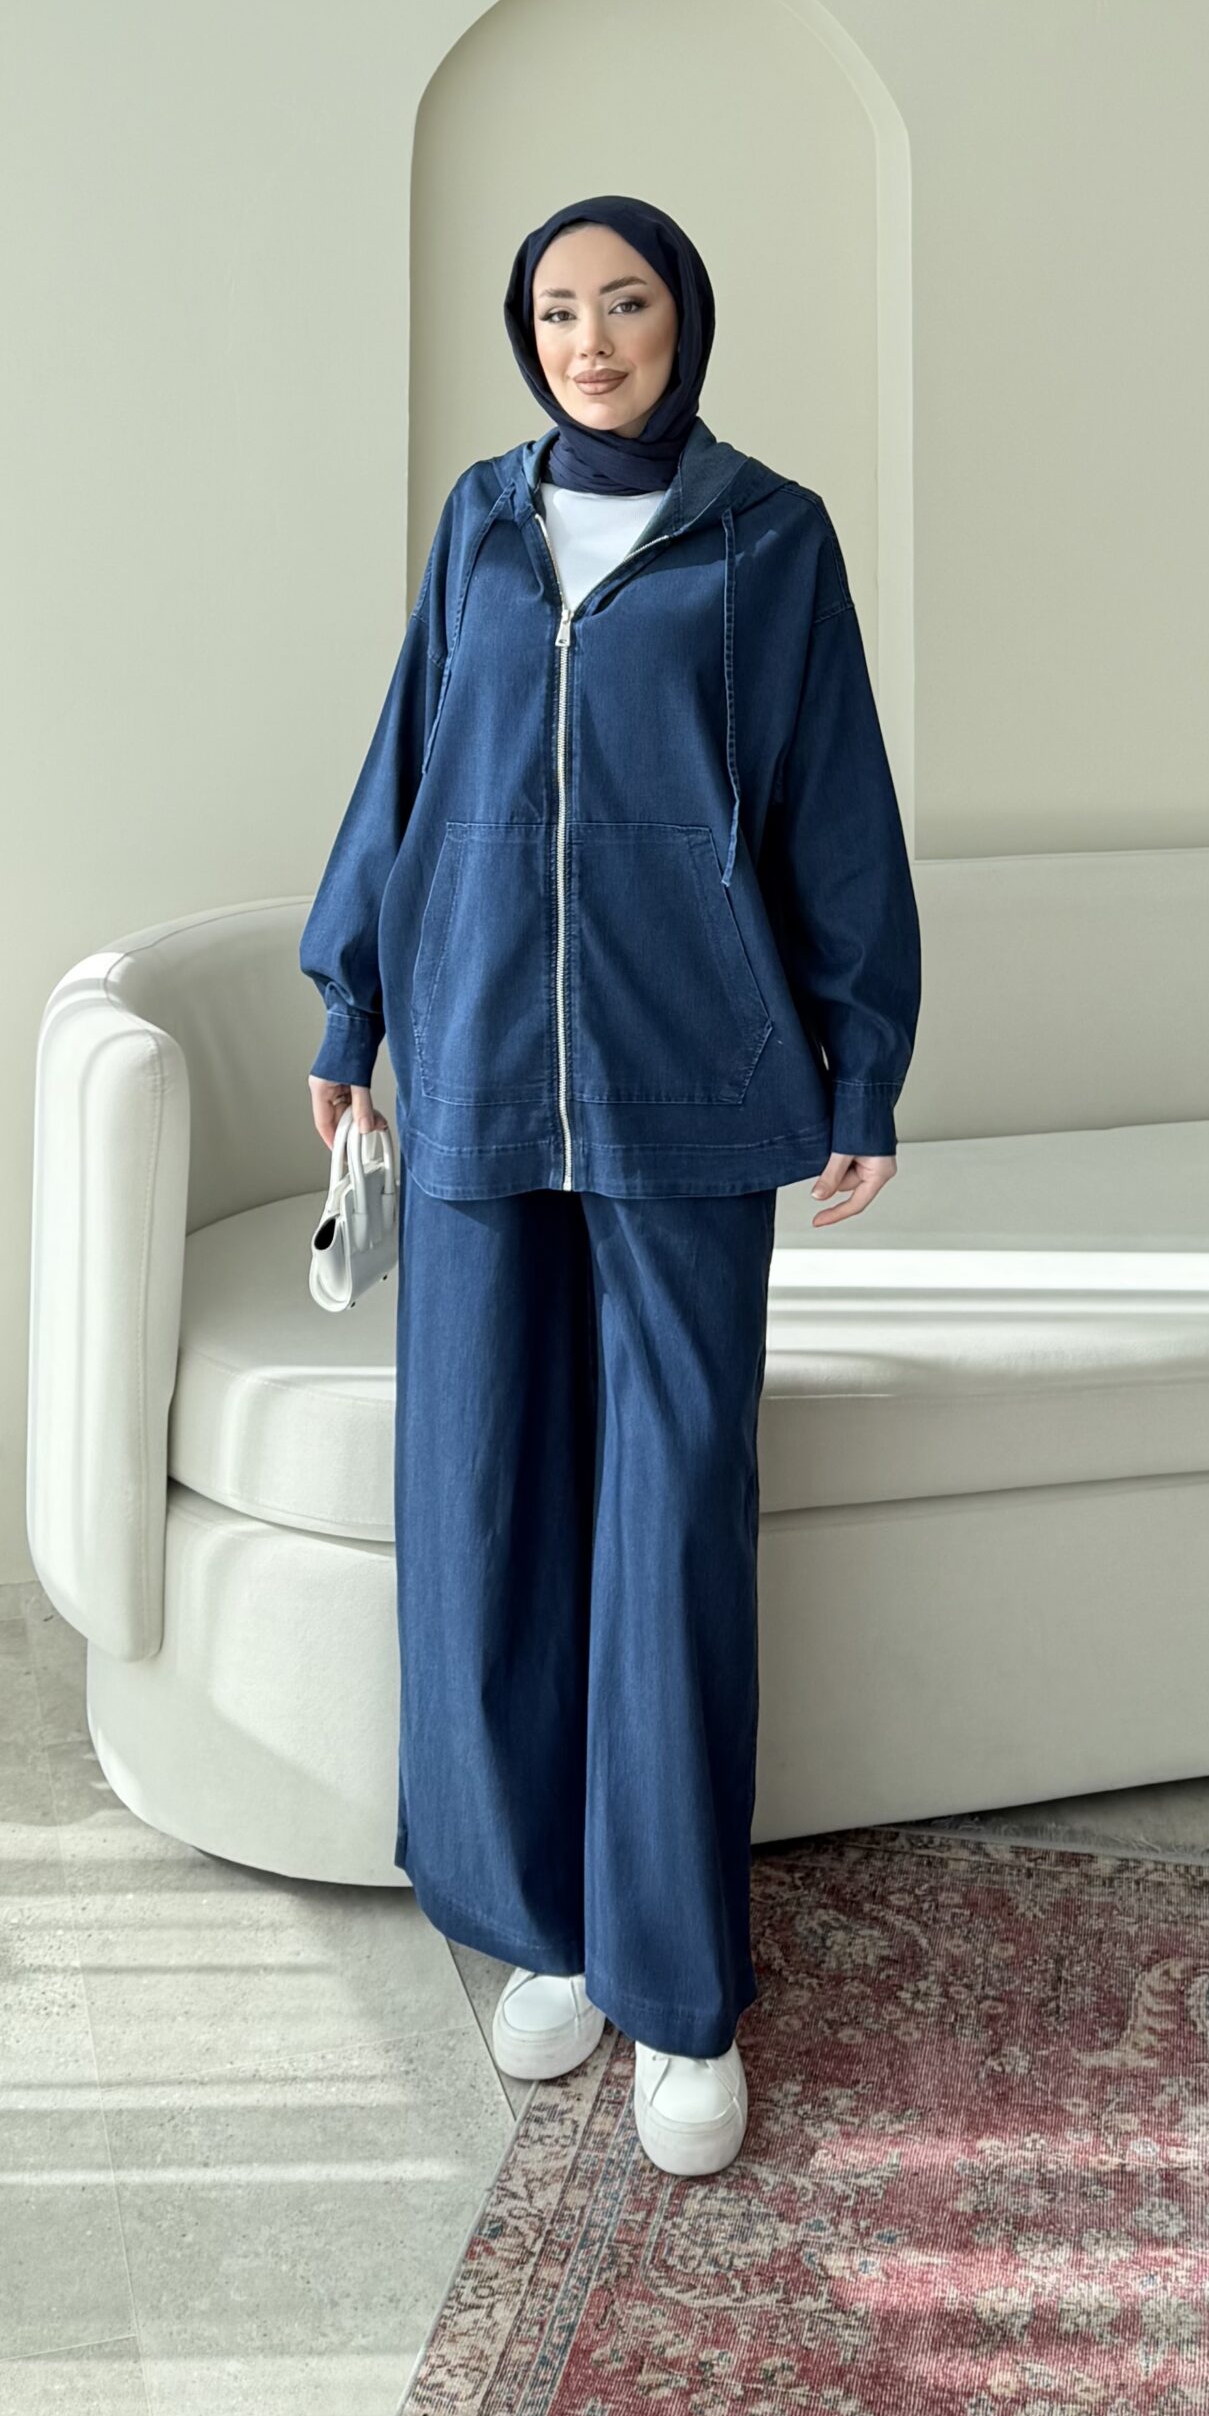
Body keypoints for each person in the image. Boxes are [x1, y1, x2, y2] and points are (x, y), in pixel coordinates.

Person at [300, 194, 921, 2177]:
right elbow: (407, 769)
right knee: (485, 1511)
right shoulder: (480, 526)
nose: (591, 339)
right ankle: (547, 1926)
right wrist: (349, 1010)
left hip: (688, 1090)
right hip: (481, 1069)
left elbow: (834, 806)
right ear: (528, 332)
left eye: (625, 303)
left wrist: (864, 1059)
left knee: (670, 1525)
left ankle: (677, 1989)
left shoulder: (770, 536)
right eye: (559, 308)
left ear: (684, 321)